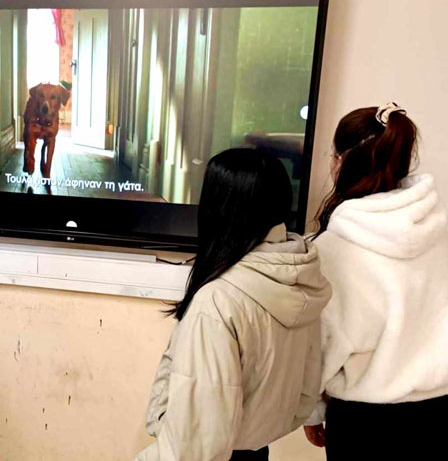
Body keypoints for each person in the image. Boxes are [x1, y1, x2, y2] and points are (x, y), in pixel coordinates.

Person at [136, 148, 331, 461]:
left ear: (219, 207)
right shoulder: (301, 278)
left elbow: (195, 445)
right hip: (257, 449)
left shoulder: (218, 302)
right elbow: (306, 389)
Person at [303, 103, 448, 459]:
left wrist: (312, 412)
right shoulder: (440, 233)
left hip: (366, 424)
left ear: (340, 161)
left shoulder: (332, 250)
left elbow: (319, 347)